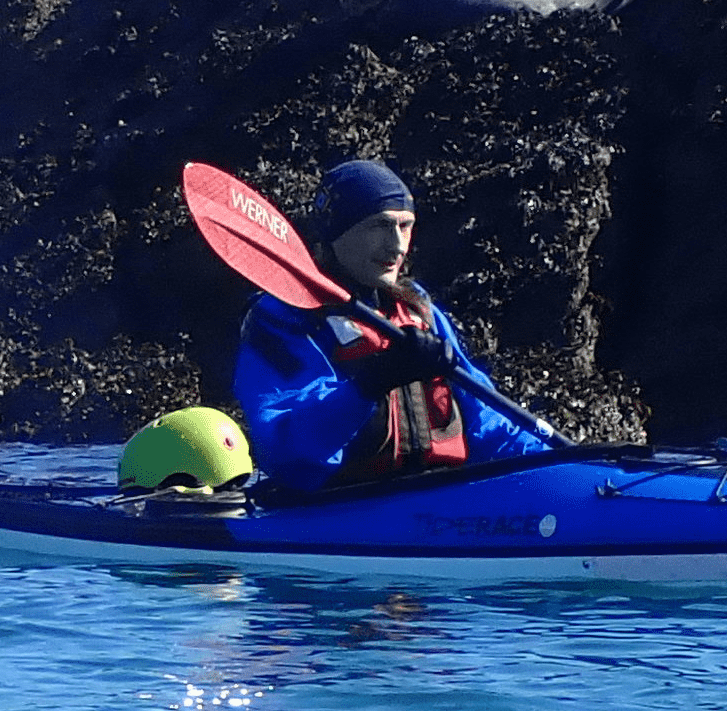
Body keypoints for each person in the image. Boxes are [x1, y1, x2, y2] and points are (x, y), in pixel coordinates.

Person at [231, 158, 556, 491]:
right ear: (338, 233)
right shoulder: (285, 317)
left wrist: (560, 465)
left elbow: (488, 423)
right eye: (380, 226)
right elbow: (287, 449)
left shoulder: (417, 309)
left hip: (439, 498)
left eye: (405, 226)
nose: (397, 245)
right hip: (341, 505)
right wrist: (371, 382)